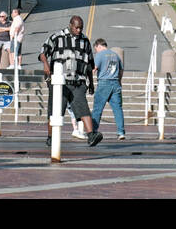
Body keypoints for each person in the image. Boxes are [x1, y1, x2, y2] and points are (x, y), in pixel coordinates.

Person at [40, 15, 102, 146]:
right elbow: (43, 52)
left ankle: (91, 135)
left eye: (81, 28)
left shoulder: (85, 40)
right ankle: (51, 137)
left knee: (83, 107)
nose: (79, 30)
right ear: (70, 25)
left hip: (78, 82)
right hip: (59, 83)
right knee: (55, 110)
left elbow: (90, 64)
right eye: (77, 28)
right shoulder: (57, 37)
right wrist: (46, 65)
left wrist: (91, 83)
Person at [91, 38, 126, 140]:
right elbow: (121, 69)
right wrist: (119, 81)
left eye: (96, 49)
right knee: (118, 109)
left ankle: (94, 130)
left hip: (104, 83)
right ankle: (121, 132)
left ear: (99, 46)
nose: (96, 51)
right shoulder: (116, 55)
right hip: (115, 83)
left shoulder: (100, 55)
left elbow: (94, 68)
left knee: (97, 109)